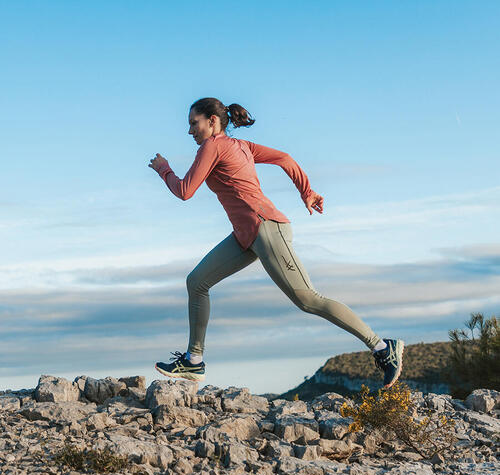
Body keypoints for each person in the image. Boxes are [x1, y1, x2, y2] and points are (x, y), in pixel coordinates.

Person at [148, 97, 404, 389]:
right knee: (197, 282)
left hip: (266, 229)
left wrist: (163, 168)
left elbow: (184, 190)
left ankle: (383, 347)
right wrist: (305, 191)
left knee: (308, 299)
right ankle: (194, 362)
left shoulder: (213, 145)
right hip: (246, 236)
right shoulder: (240, 146)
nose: (190, 131)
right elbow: (285, 158)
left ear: (213, 122)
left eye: (194, 123)